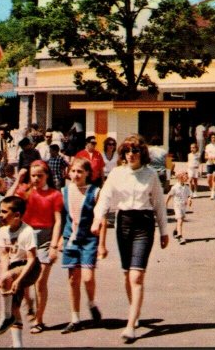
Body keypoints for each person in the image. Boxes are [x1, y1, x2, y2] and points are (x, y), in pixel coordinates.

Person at [91, 134, 169, 343]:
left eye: (135, 150)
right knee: (128, 274)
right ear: (123, 154)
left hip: (144, 223)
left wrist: (164, 231)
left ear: (141, 153)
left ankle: (130, 325)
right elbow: (105, 198)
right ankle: (135, 313)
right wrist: (97, 219)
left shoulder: (151, 175)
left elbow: (159, 204)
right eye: (127, 150)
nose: (131, 154)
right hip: (123, 223)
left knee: (136, 276)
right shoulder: (116, 174)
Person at [8, 160, 63, 334]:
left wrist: (54, 245)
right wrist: (19, 179)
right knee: (24, 279)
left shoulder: (55, 194)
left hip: (46, 239)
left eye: (40, 175)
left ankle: (39, 320)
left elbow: (58, 221)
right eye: (33, 175)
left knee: (40, 281)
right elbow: (7, 200)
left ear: (47, 175)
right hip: (26, 238)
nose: (36, 178)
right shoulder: (25, 191)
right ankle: (29, 303)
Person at [57, 157, 108, 333]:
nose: (76, 174)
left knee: (87, 278)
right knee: (73, 280)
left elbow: (101, 219)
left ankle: (92, 303)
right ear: (68, 172)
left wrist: (102, 244)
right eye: (73, 171)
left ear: (88, 173)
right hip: (70, 239)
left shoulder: (95, 192)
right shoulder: (64, 191)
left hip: (88, 239)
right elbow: (62, 217)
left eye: (80, 171)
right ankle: (75, 318)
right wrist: (58, 239)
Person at [0, 196, 42, 348]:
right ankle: (17, 345)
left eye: (4, 212)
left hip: (30, 268)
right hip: (14, 267)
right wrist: (4, 276)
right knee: (14, 307)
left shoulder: (27, 231)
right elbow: (4, 254)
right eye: (0, 211)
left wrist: (17, 281)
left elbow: (31, 259)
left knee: (9, 310)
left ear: (17, 215)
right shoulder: (3, 231)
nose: (0, 215)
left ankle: (5, 317)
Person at [165, 171, 193, 245]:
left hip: (183, 206)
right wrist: (165, 204)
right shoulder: (175, 187)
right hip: (177, 206)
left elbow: (190, 194)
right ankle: (180, 237)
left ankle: (176, 230)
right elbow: (169, 195)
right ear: (180, 178)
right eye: (185, 176)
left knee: (180, 220)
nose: (187, 178)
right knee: (180, 219)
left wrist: (190, 199)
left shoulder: (186, 187)